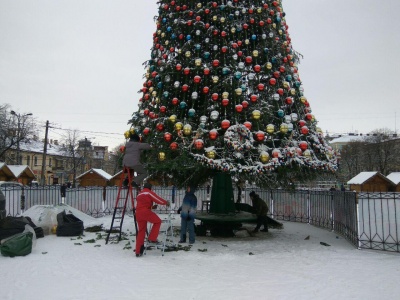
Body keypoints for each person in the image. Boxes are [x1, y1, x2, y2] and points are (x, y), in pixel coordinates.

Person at [135, 182, 170, 257]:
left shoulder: (139, 194)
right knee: (158, 221)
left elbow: (142, 204)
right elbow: (157, 199)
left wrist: (151, 207)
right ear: (150, 188)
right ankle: (152, 238)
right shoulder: (148, 192)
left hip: (138, 213)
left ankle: (138, 251)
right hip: (145, 212)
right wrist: (165, 202)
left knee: (141, 231)